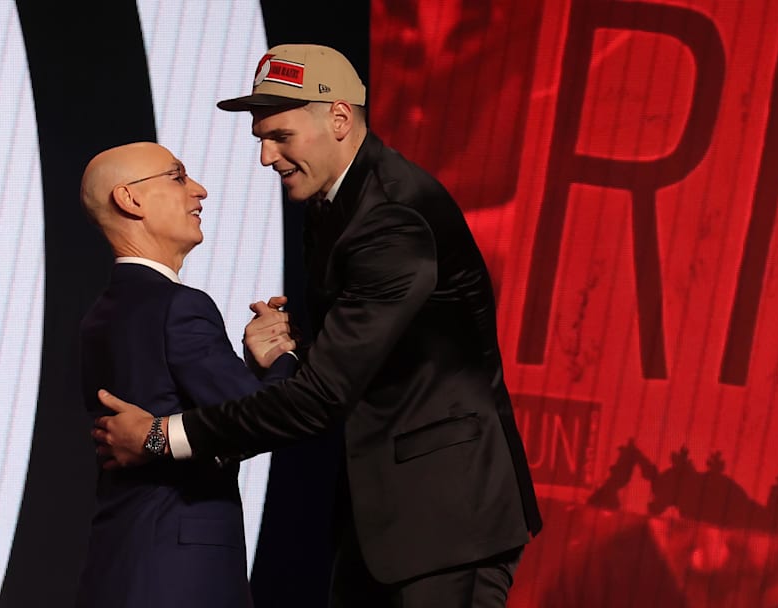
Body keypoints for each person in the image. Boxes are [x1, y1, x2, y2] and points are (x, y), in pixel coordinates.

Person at [92, 45, 542, 607]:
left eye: (280, 136)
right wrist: (288, 354)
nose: (265, 157)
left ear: (338, 118)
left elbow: (323, 397)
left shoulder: (391, 220)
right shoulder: (335, 205)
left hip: (447, 520)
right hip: (385, 518)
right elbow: (364, 358)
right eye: (260, 138)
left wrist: (162, 436)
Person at [76, 142, 297, 607]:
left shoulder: (104, 314)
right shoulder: (179, 306)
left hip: (121, 563)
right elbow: (261, 421)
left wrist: (252, 366)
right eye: (177, 178)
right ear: (129, 199)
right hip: (182, 575)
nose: (199, 191)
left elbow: (212, 416)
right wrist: (282, 359)